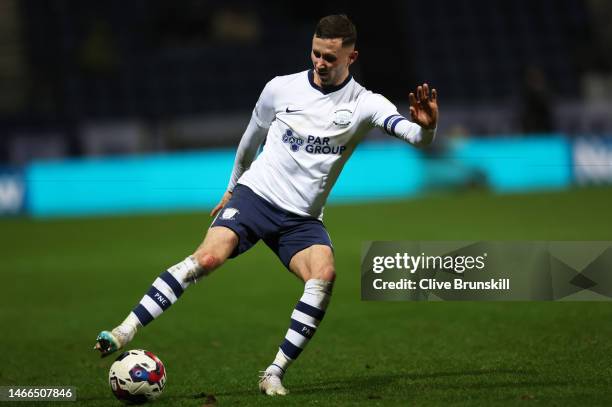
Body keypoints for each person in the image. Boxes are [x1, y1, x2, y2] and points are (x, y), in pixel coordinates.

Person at [94, 14, 438, 396]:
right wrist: (232, 187)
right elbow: (249, 141)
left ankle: (273, 372)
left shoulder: (365, 104)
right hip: (256, 195)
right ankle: (124, 330)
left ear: (351, 58)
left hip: (301, 219)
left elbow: (417, 138)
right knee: (207, 258)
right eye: (316, 53)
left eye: (330, 58)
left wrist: (427, 127)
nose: (320, 63)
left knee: (323, 276)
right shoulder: (280, 89)